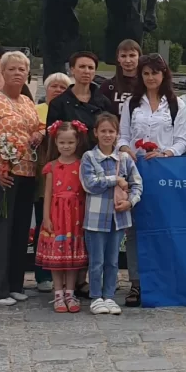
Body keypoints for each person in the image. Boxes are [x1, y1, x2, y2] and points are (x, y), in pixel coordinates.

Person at [0, 51, 43, 307]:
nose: (17, 73)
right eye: (12, 69)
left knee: (18, 231)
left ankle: (14, 284)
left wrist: (39, 134)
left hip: (26, 174)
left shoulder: (26, 101)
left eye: (21, 69)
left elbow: (36, 126)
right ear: (2, 72)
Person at [118, 53, 186, 306]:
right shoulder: (132, 103)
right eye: (146, 73)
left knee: (164, 227)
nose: (150, 78)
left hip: (164, 172)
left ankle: (164, 280)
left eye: (154, 73)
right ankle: (136, 283)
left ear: (163, 74)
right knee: (135, 230)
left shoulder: (176, 104)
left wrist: (166, 152)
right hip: (137, 171)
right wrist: (126, 149)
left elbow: (182, 141)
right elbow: (122, 136)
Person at [80, 113, 143, 315]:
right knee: (96, 261)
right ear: (96, 133)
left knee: (113, 260)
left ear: (117, 134)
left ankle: (109, 296)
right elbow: (90, 185)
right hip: (96, 218)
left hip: (118, 218)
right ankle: (96, 296)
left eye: (111, 131)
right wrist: (115, 180)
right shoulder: (89, 157)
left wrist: (130, 202)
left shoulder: (124, 159)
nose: (107, 135)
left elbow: (137, 184)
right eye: (103, 131)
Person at [36, 121, 89, 313]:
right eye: (62, 142)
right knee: (57, 256)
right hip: (57, 216)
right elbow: (48, 195)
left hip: (75, 215)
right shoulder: (51, 167)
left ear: (77, 143)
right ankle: (58, 293)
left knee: (72, 255)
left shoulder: (82, 165)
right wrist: (46, 218)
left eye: (70, 142)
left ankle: (71, 292)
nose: (66, 146)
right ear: (56, 143)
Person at [32, 72, 72, 293]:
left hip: (69, 175)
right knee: (43, 223)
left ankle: (66, 270)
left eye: (62, 87)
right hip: (44, 173)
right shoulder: (37, 111)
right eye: (53, 86)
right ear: (46, 90)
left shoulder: (68, 111)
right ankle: (42, 273)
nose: (58, 90)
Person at [46, 51, 113, 142]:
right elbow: (51, 137)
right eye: (82, 67)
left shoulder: (104, 102)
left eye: (90, 68)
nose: (86, 71)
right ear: (72, 69)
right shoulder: (58, 103)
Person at [98, 39, 141, 115]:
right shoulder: (108, 86)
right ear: (118, 59)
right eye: (123, 56)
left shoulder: (147, 85)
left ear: (139, 57)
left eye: (132, 55)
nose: (128, 60)